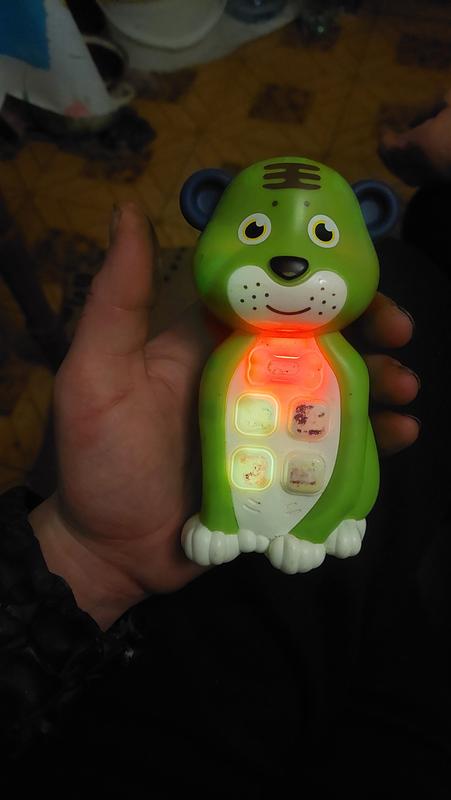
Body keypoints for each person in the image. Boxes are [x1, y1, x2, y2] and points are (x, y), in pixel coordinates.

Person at [0, 177, 449, 796]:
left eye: (323, 235)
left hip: (316, 521)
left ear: (367, 222)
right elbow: (215, 445)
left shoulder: (341, 362)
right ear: (205, 212)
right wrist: (219, 515)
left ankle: (336, 521)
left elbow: (350, 454)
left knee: (366, 447)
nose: (289, 263)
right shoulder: (229, 357)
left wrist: (325, 520)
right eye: (255, 232)